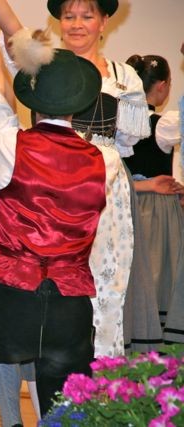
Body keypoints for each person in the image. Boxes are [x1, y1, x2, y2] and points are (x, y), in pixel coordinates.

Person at [0, 0, 108, 417]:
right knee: (59, 399)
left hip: (14, 293)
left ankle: (11, 423)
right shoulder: (103, 159)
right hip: (71, 302)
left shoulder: (9, 143)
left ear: (33, 98)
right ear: (77, 102)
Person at [123, 54, 184, 349]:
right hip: (155, 211)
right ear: (162, 86)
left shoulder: (116, 122)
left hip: (124, 205)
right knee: (157, 279)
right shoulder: (161, 125)